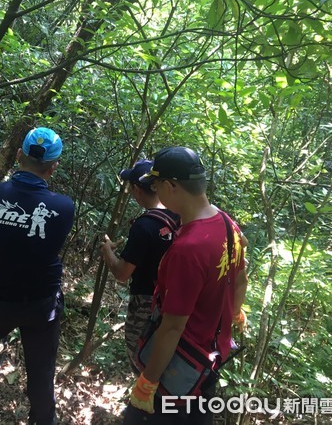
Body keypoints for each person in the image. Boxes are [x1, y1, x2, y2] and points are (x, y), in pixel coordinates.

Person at [124, 146, 248, 424]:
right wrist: (234, 311)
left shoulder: (188, 249)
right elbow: (240, 279)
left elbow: (172, 327)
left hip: (179, 369)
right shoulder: (229, 225)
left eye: (156, 185)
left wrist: (148, 382)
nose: (155, 192)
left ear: (170, 186)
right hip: (209, 362)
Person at [0, 127, 74, 424]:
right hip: (41, 303)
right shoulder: (64, 207)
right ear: (54, 166)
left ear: (18, 155)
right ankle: (42, 418)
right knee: (41, 367)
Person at [100, 159, 180, 372]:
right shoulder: (180, 216)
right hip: (177, 303)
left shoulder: (144, 226)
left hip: (146, 303)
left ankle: (144, 401)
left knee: (141, 358)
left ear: (136, 189)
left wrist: (108, 252)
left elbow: (122, 273)